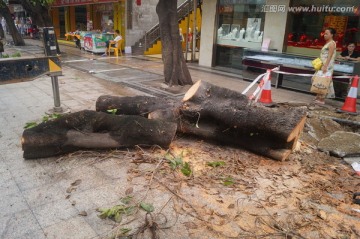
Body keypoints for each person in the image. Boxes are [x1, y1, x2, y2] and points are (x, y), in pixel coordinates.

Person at [314, 27, 336, 105]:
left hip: (327, 66)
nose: (324, 35)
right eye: (324, 33)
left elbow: (329, 56)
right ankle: (318, 96)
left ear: (332, 35)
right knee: (318, 80)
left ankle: (321, 99)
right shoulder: (327, 43)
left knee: (324, 82)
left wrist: (325, 66)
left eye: (327, 34)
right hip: (322, 64)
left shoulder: (332, 43)